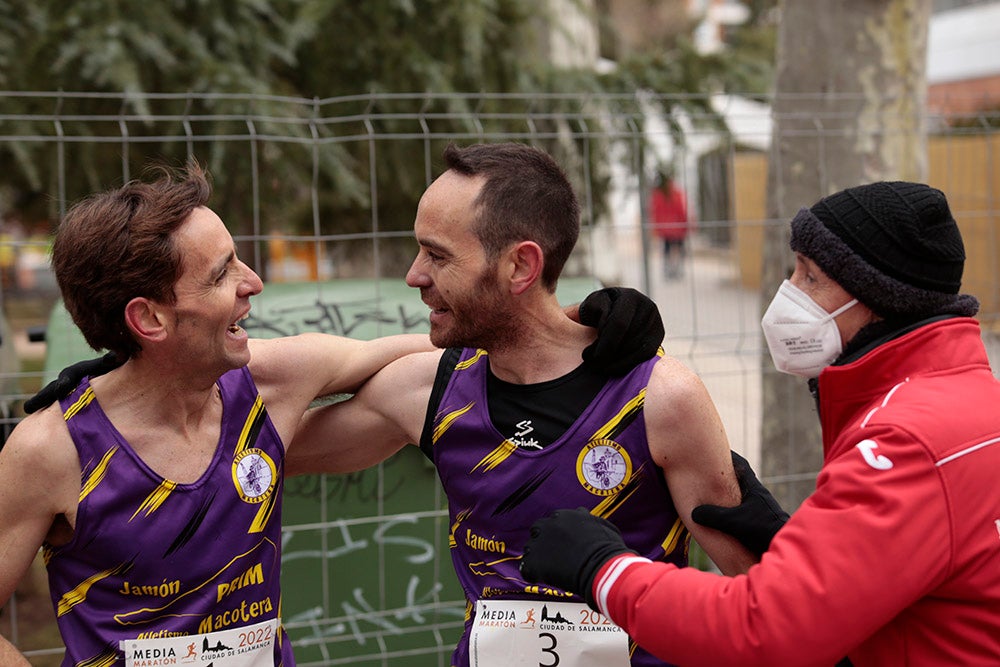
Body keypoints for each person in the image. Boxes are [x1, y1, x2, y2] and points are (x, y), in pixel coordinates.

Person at [0, 160, 662, 666]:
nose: (253, 283)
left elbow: (439, 347)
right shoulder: (49, 451)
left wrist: (579, 325)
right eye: (222, 273)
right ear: (148, 317)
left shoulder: (270, 383)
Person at [287, 142, 758, 667]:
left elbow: (760, 597)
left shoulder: (660, 398)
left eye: (437, 255)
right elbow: (257, 456)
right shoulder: (427, 390)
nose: (414, 275)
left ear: (520, 265)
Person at [520, 181, 1000, 666]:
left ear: (876, 296)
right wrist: (793, 544)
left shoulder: (903, 443)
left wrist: (604, 569)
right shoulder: (974, 401)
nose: (788, 293)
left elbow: (763, 632)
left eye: (810, 278)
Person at [649, 170, 690, 280]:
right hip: (677, 227)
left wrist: (656, 227)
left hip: (665, 228)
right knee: (678, 248)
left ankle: (668, 270)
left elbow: (655, 212)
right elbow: (681, 210)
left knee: (667, 249)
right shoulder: (676, 193)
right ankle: (677, 270)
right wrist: (685, 225)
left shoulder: (658, 194)